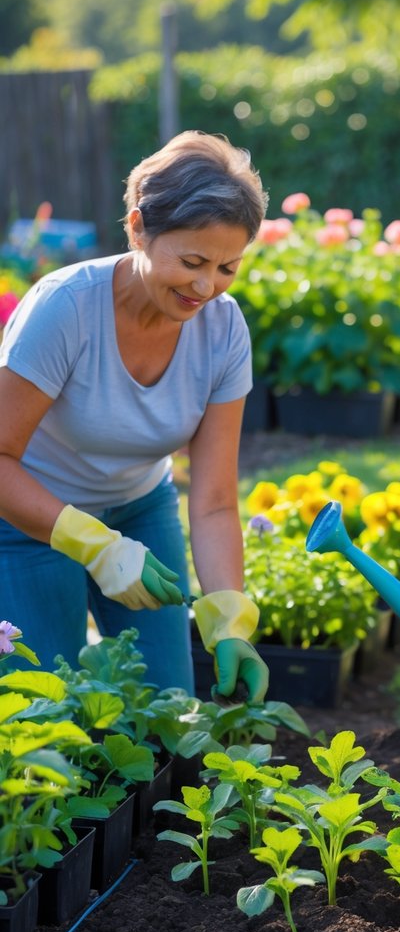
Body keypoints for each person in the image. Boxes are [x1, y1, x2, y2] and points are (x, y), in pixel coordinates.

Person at [0, 130, 270, 702]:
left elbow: (217, 498)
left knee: (165, 708)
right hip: (28, 520)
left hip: (140, 511)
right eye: (192, 261)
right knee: (45, 709)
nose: (206, 287)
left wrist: (227, 615)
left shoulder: (223, 330)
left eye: (228, 267)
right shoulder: (66, 308)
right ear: (138, 226)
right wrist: (93, 545)